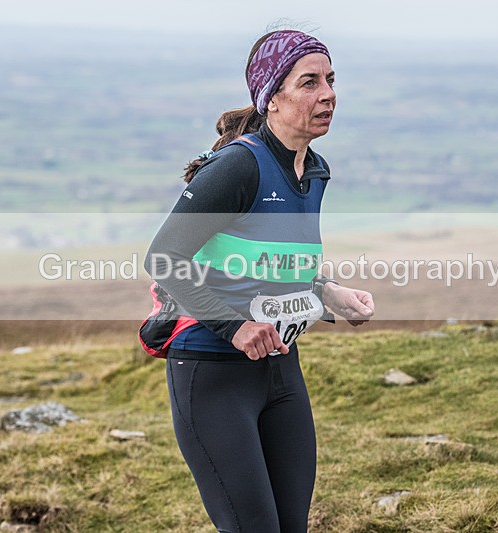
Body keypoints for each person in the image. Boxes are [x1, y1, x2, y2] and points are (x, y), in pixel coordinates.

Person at [144, 29, 374, 533]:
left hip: (281, 372)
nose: (328, 93)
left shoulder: (313, 170)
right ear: (271, 98)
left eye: (331, 80)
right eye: (309, 82)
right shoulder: (238, 166)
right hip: (213, 371)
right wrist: (234, 327)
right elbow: (163, 258)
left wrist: (330, 293)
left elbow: (278, 263)